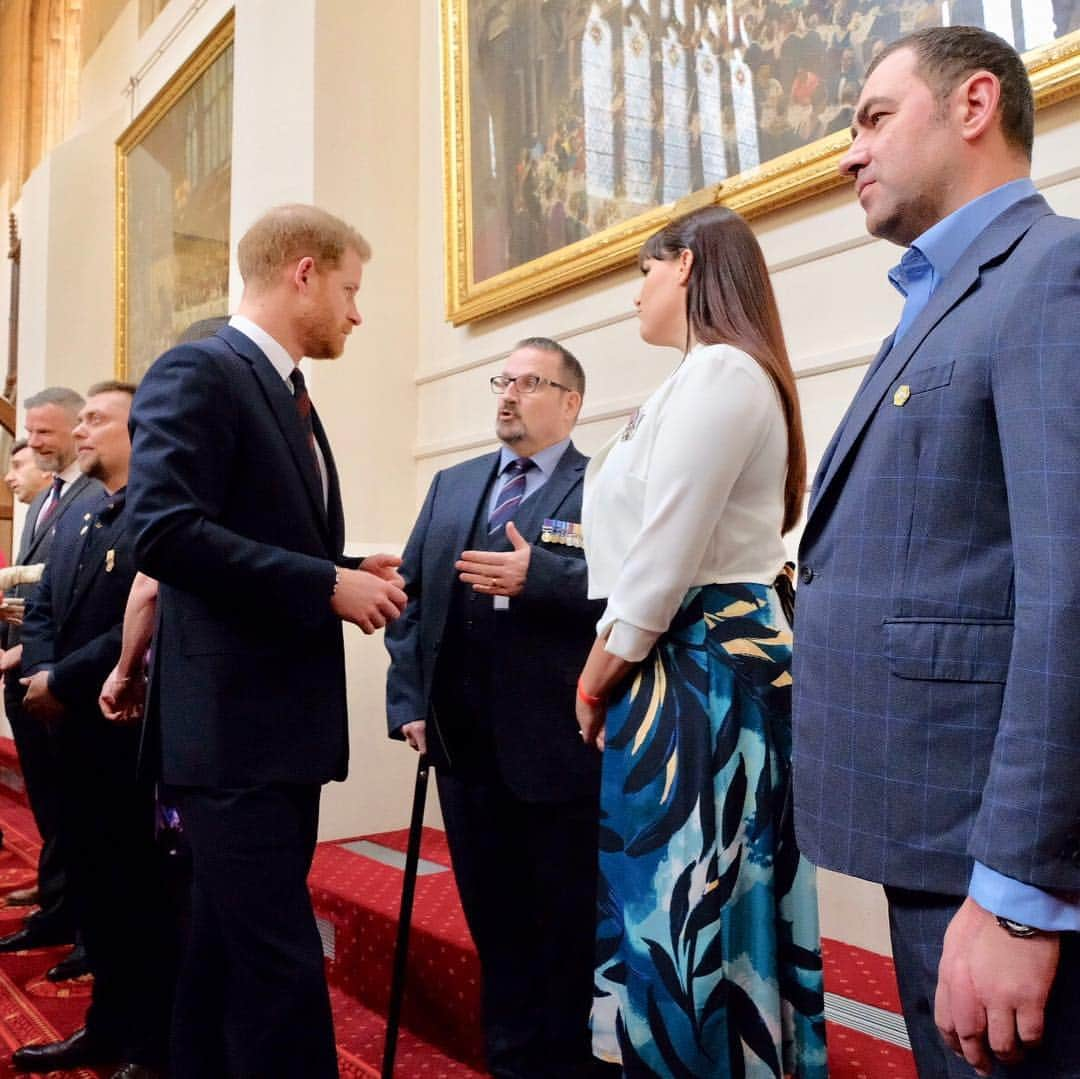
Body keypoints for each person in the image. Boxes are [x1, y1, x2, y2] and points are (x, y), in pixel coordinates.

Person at [792, 26, 1080, 1078]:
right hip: (930, 833)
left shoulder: (1051, 273)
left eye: (872, 117)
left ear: (972, 106)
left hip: (990, 854)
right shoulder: (947, 294)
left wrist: (1017, 897)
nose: (848, 152)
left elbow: (1072, 592)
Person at [126, 203, 407, 1079]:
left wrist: (353, 563)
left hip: (273, 733)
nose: (357, 314)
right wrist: (329, 583)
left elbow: (266, 539)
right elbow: (163, 532)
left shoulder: (286, 390)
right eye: (351, 290)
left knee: (221, 959)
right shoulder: (199, 371)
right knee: (281, 967)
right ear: (304, 273)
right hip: (231, 738)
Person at [577, 205, 827, 1077]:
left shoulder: (724, 370)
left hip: (700, 658)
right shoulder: (691, 380)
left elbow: (668, 547)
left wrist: (601, 664)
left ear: (684, 265)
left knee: (700, 911)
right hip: (675, 657)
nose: (634, 295)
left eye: (643, 270)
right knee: (672, 908)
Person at [385, 338, 607, 1079]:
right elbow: (409, 602)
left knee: (564, 936)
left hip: (559, 758)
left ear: (570, 402)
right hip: (463, 754)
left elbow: (633, 594)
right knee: (497, 933)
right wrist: (410, 700)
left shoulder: (604, 484)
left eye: (529, 382)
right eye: (502, 380)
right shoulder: (453, 484)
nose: (508, 394)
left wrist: (539, 576)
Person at [15, 382, 172, 1079]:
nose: (81, 431)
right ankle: (105, 1027)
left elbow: (135, 623)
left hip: (124, 733)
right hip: (73, 731)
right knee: (99, 894)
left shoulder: (156, 512)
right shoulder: (88, 514)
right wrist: (42, 674)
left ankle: (147, 1043)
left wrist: (60, 680)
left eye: (96, 419)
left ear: (138, 432)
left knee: (137, 897)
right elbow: (45, 601)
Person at [0, 389, 102, 960]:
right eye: (29, 434)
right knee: (51, 806)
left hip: (67, 680)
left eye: (44, 433)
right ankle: (60, 911)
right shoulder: (48, 498)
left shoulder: (94, 494)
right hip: (33, 676)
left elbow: (71, 597)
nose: (33, 444)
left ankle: (86, 926)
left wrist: (37, 665)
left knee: (76, 813)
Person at [3, 438, 51, 507]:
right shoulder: (34, 514)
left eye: (17, 466)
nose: (7, 478)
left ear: (46, 468)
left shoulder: (70, 510)